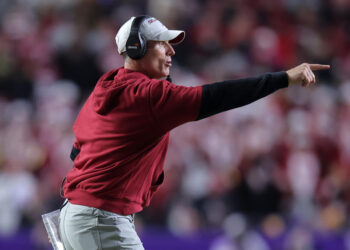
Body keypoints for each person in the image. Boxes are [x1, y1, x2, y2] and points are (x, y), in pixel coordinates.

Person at [58, 15, 330, 250]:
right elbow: (219, 96)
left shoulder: (108, 84)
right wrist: (284, 78)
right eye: (162, 44)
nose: (171, 51)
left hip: (78, 215)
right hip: (100, 218)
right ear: (136, 48)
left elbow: (77, 149)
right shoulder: (149, 95)